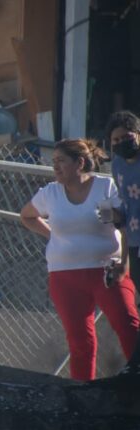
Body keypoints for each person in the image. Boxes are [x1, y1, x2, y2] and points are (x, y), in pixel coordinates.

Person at [20, 138, 139, 381]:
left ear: (80, 163)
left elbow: (124, 224)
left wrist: (124, 263)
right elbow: (27, 216)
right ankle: (83, 393)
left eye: (61, 161)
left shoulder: (105, 187)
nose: (55, 166)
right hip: (64, 276)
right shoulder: (50, 192)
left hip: (106, 270)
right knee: (80, 341)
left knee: (129, 326)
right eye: (54, 161)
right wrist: (52, 234)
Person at [106, 110, 140, 377]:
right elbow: (127, 214)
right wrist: (124, 261)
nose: (119, 144)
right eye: (114, 141)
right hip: (135, 241)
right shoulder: (117, 166)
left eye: (125, 137)